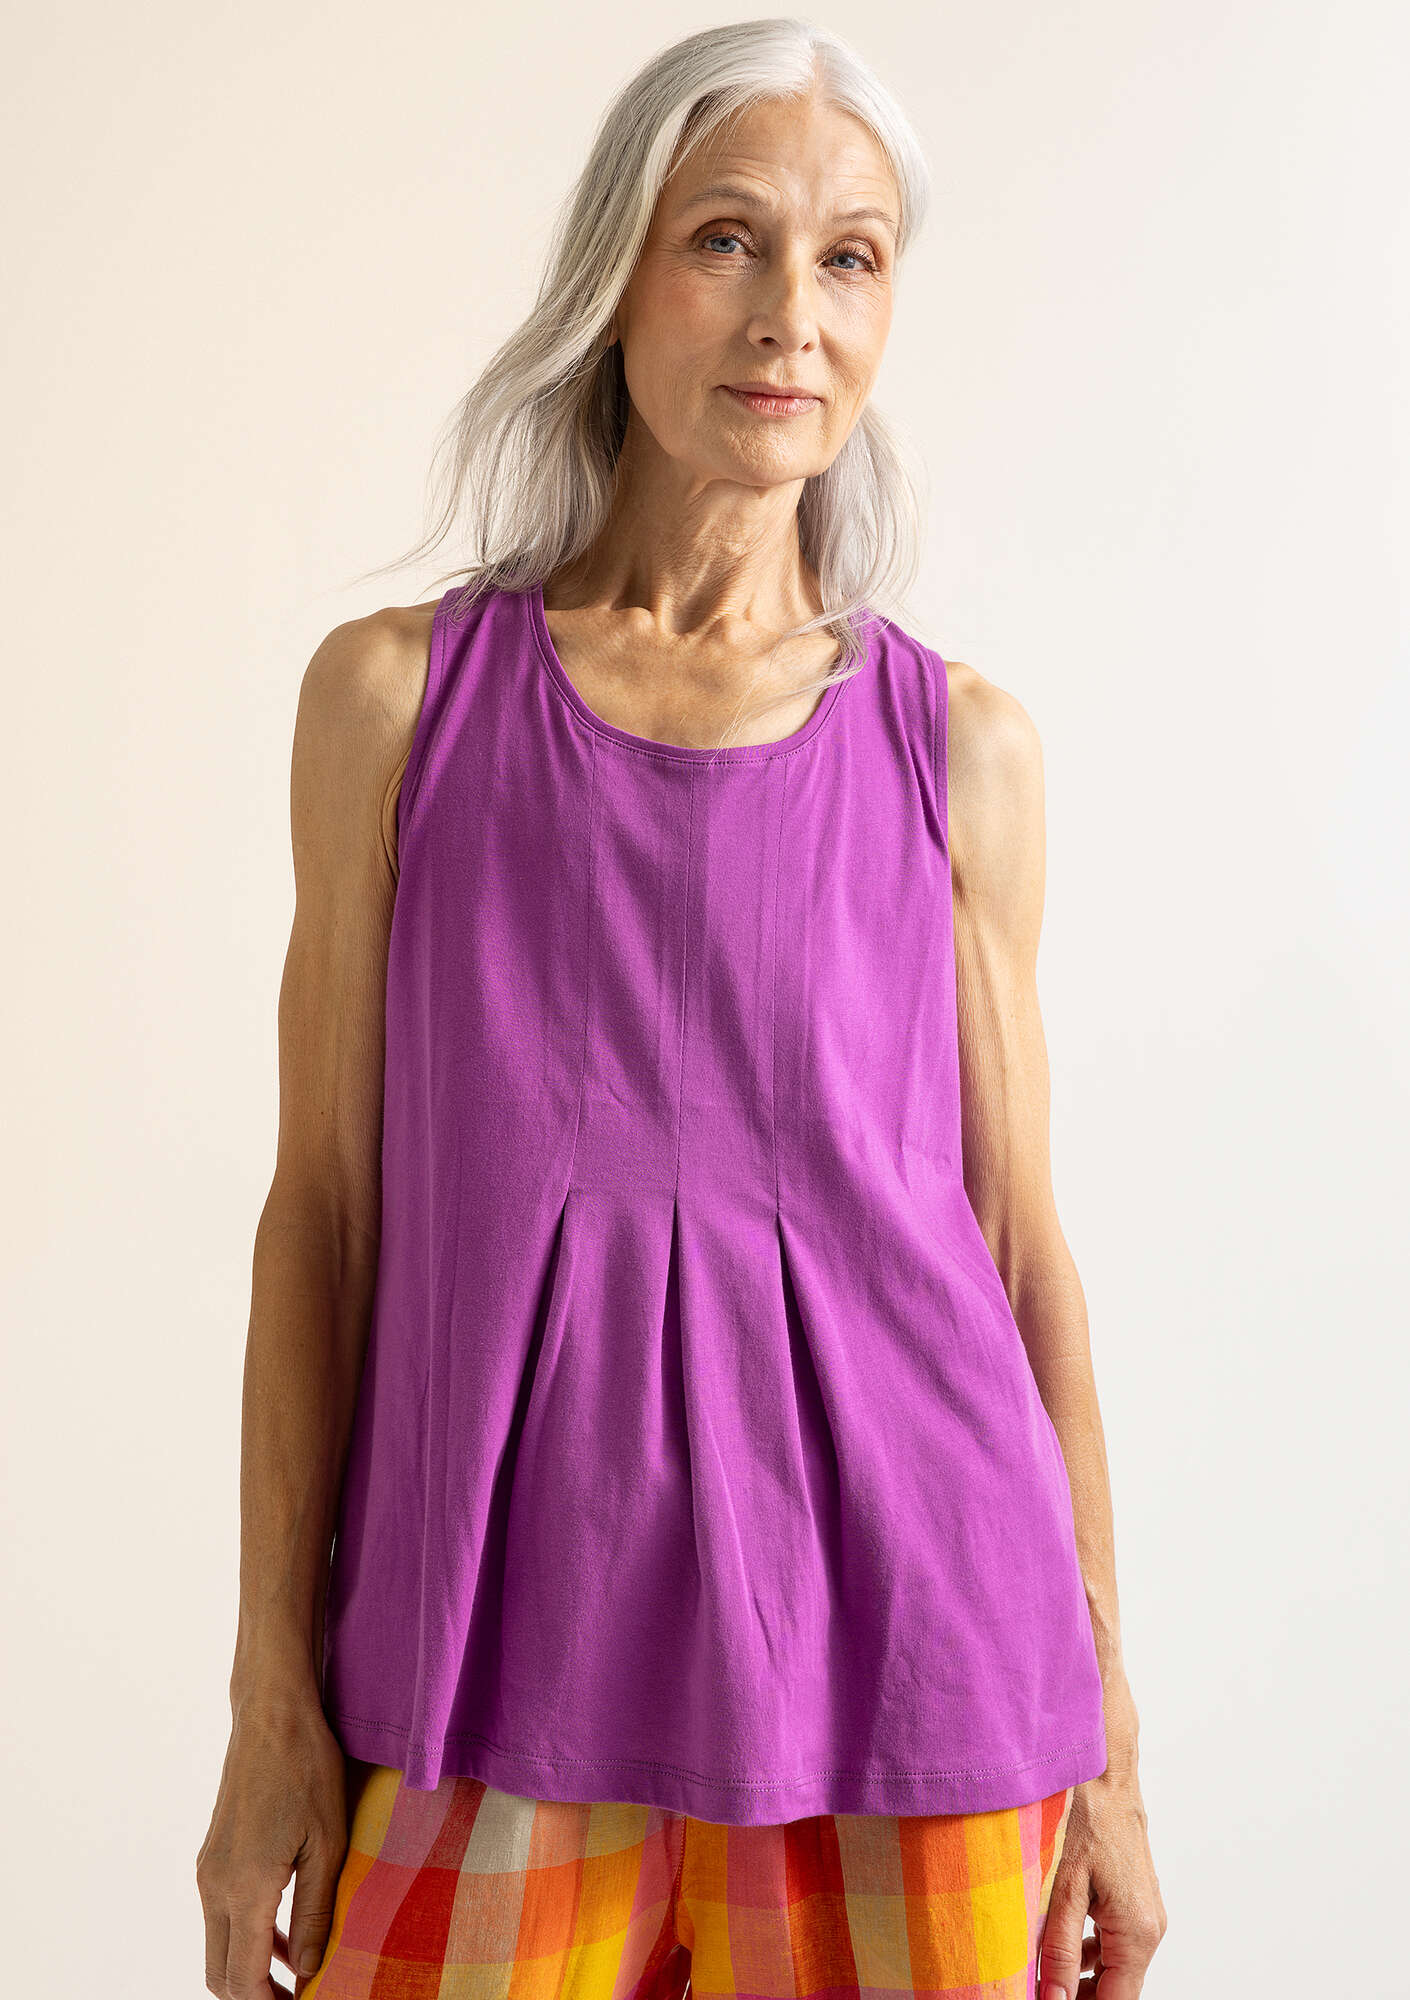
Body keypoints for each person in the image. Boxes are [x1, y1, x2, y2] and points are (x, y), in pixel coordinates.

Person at [196, 21, 1166, 2000]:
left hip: (925, 1687)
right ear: (616, 274)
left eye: (850, 257)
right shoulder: (397, 707)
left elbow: (1018, 1255)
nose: (792, 312)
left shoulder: (960, 749)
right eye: (729, 239)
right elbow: (325, 1219)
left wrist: (1115, 1742)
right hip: (494, 1673)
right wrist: (268, 1702)